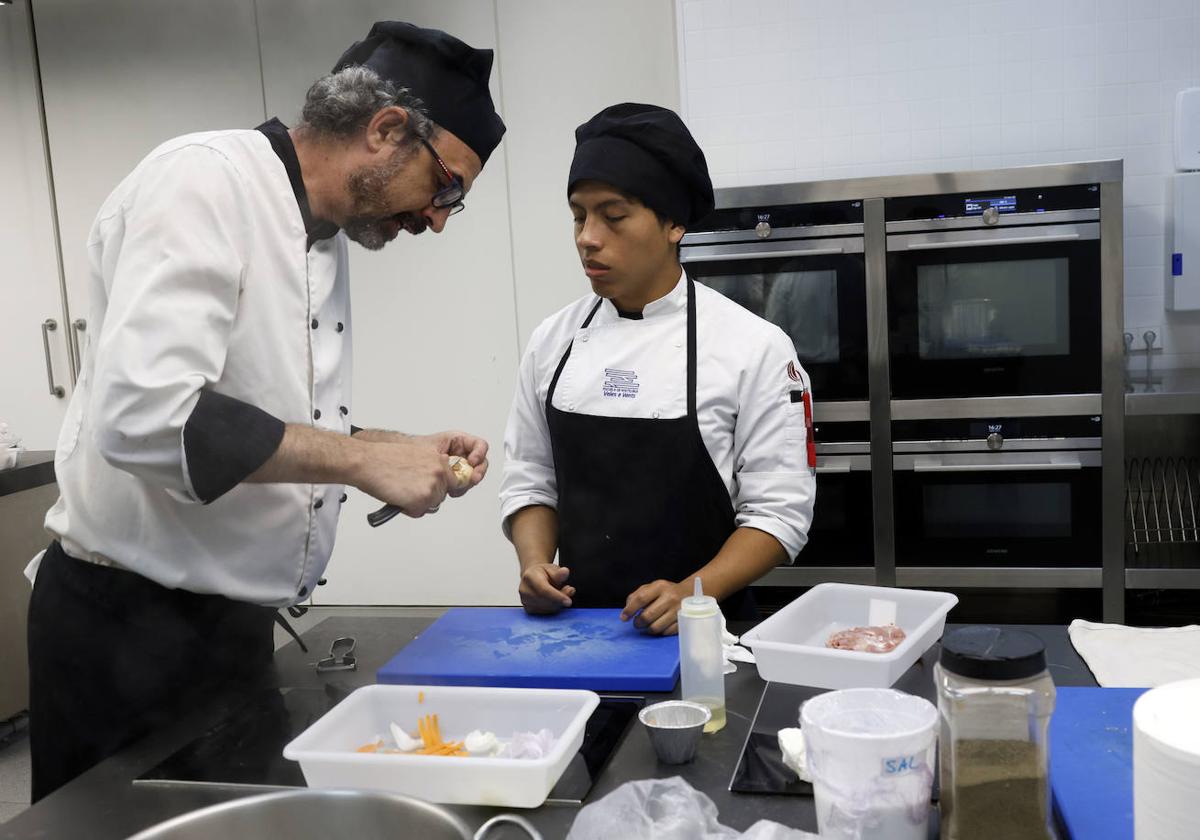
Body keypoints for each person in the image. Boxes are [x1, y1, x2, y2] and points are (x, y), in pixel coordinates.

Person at [25, 21, 505, 801]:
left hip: (225, 633)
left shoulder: (325, 234)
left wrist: (393, 448)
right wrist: (362, 460)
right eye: (446, 185)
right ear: (386, 131)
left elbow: (264, 417)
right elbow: (147, 416)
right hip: (125, 637)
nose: (440, 217)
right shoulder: (203, 182)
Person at [498, 103, 815, 636]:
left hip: (704, 638)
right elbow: (531, 477)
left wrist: (693, 593)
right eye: (579, 215)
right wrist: (533, 564)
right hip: (573, 636)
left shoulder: (753, 347)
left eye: (613, 216)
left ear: (673, 224)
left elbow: (779, 516)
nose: (587, 237)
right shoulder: (551, 341)